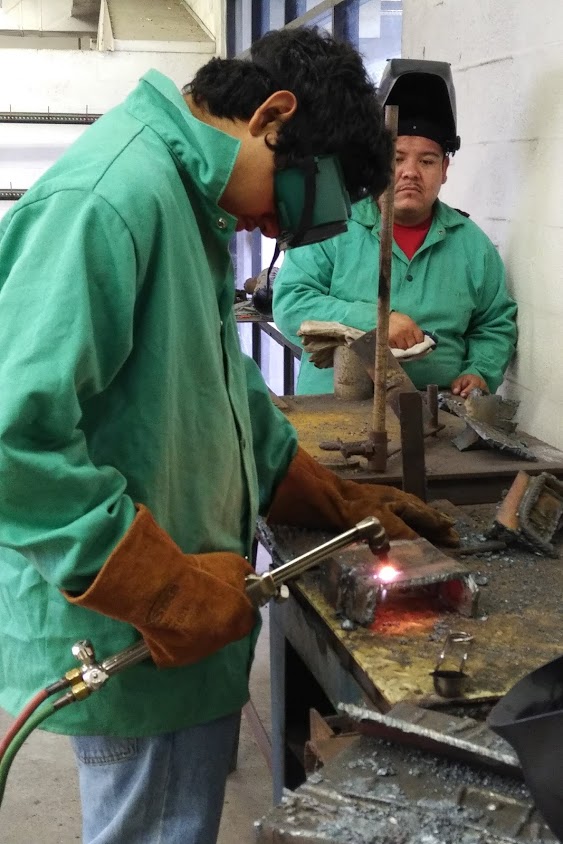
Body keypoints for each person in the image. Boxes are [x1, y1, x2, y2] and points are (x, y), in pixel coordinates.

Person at [0, 27, 458, 844]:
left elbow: (223, 392)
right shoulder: (112, 199)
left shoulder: (186, 198)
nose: (280, 231)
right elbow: (12, 439)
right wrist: (161, 590)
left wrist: (332, 498)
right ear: (270, 118)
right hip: (135, 629)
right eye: (299, 202)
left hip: (192, 626)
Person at [273, 73, 518, 399]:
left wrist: (480, 370)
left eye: (427, 161)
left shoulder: (472, 246)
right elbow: (291, 304)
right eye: (397, 159)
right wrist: (377, 321)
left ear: (444, 170)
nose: (410, 172)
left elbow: (494, 323)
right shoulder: (332, 228)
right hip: (333, 406)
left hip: (437, 411)